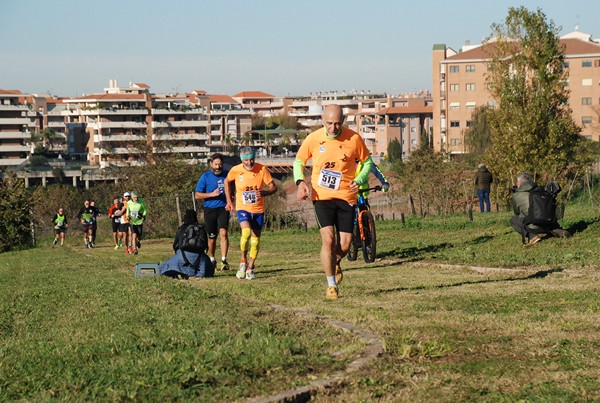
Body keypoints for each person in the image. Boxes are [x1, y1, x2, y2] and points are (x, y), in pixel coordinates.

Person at [294, 104, 373, 300]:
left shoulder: (354, 138)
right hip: (322, 197)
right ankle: (331, 285)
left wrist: (359, 180)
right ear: (322, 119)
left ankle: (334, 261)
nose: (333, 128)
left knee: (345, 245)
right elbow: (299, 161)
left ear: (343, 121)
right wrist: (300, 182)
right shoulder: (313, 138)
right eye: (329, 123)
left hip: (346, 197)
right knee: (328, 240)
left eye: (337, 124)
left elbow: (367, 162)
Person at [224, 146, 277, 280]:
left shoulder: (262, 169)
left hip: (258, 209)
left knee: (255, 240)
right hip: (243, 207)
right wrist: (229, 201)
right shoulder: (236, 170)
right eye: (246, 160)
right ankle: (243, 261)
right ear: (242, 160)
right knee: (246, 232)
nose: (250, 163)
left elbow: (273, 187)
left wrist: (265, 192)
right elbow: (227, 181)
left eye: (252, 159)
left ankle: (250, 267)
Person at [510, 172, 569, 245]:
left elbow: (517, 212)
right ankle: (558, 231)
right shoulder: (542, 190)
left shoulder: (517, 195)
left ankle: (532, 236)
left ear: (519, 183)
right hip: (548, 223)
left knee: (514, 219)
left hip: (534, 226)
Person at [195, 153, 231, 270]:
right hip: (209, 209)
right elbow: (197, 195)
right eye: (216, 164)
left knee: (224, 233)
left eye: (220, 165)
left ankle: (224, 260)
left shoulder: (227, 175)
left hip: (223, 208)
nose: (218, 167)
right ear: (211, 164)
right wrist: (212, 194)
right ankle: (212, 258)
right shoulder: (205, 177)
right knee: (212, 237)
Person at [159, 209, 214, 279]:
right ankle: (196, 274)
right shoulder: (201, 229)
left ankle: (182, 271)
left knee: (163, 267)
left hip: (182, 257)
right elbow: (206, 246)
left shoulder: (181, 229)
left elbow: (175, 246)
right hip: (200, 260)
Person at [126, 191, 147, 255]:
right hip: (132, 221)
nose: (136, 199)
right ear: (132, 198)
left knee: (139, 235)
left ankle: (138, 241)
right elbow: (128, 210)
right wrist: (127, 216)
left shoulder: (141, 202)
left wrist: (143, 216)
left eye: (137, 197)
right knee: (134, 235)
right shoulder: (129, 203)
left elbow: (145, 210)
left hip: (139, 221)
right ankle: (135, 249)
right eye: (135, 197)